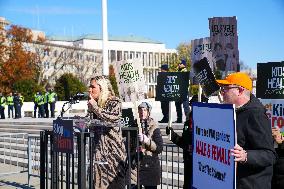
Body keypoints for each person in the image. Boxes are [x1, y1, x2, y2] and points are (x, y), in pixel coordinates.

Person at [217, 72, 276, 189]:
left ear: (239, 90)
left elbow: (270, 155)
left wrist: (245, 156)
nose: (222, 92)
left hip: (251, 184)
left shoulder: (256, 114)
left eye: (226, 88)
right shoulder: (233, 111)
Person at [87, 75, 126, 189]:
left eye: (92, 87)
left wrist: (95, 108)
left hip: (113, 156)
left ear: (102, 88)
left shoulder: (115, 101)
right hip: (98, 154)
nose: (90, 90)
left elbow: (111, 119)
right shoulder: (97, 103)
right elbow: (92, 125)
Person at [166, 94, 208, 189]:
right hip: (189, 162)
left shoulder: (208, 123)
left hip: (202, 165)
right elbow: (184, 143)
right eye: (192, 105)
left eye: (196, 105)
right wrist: (173, 136)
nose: (193, 107)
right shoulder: (188, 123)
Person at [131, 102, 163, 189]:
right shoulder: (133, 125)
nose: (142, 112)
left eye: (145, 110)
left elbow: (159, 148)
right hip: (135, 168)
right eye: (140, 110)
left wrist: (147, 141)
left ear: (148, 112)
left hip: (150, 166)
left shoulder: (154, 127)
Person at [174, 59, 189, 123]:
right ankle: (179, 119)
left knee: (186, 106)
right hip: (178, 91)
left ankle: (188, 120)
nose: (179, 65)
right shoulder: (178, 70)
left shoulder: (184, 71)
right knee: (177, 105)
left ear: (184, 64)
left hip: (184, 91)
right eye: (179, 63)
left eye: (180, 63)